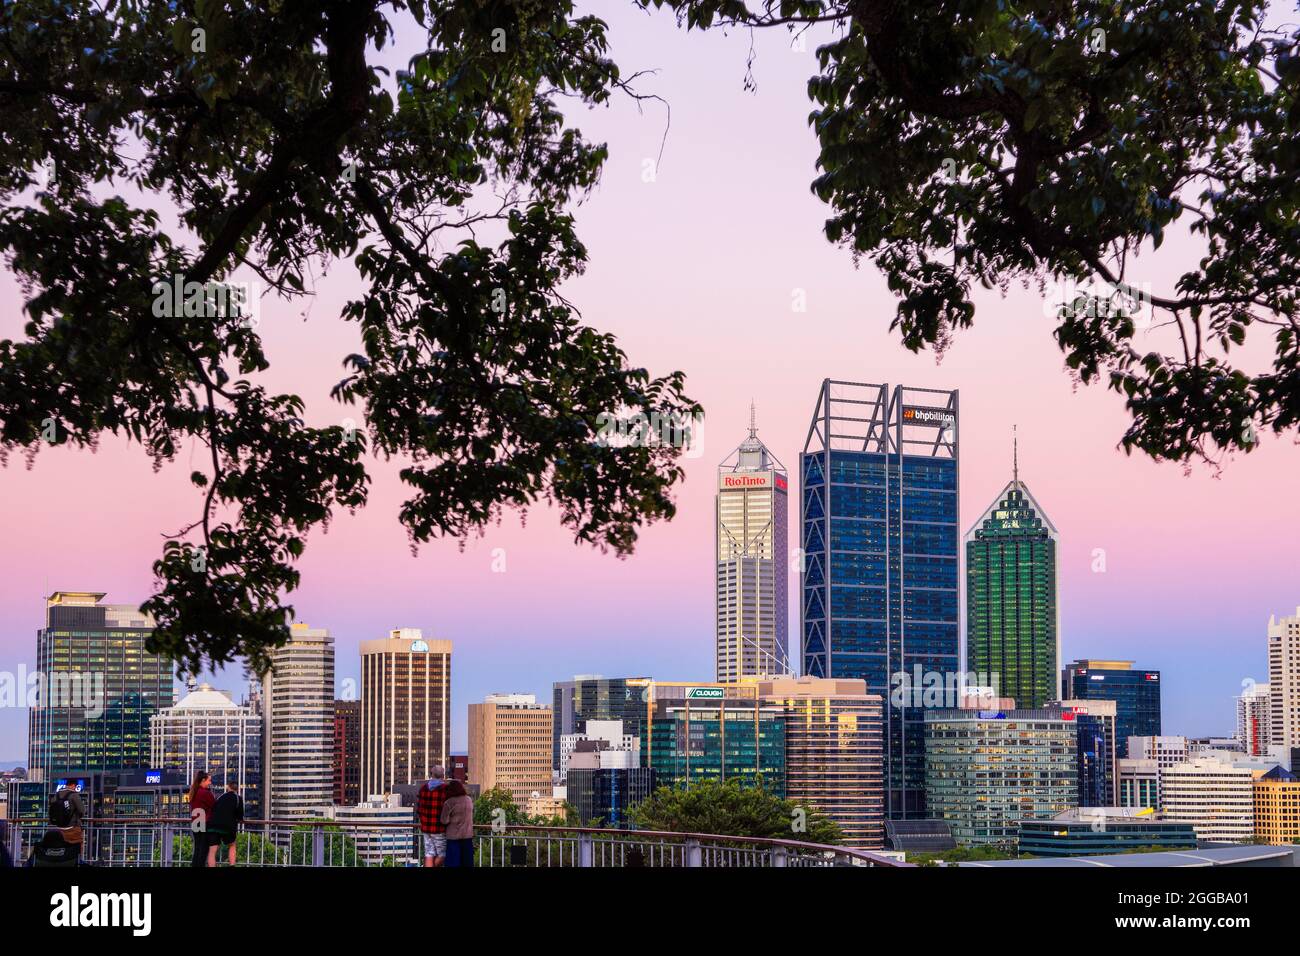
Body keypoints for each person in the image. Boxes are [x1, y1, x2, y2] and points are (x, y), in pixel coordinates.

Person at [415, 766, 448, 867]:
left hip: (426, 827)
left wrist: (423, 820)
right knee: (442, 854)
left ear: (431, 774)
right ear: (443, 776)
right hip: (439, 828)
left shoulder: (423, 788)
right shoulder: (445, 789)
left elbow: (419, 809)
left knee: (429, 853)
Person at [207, 781, 243, 866]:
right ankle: (232, 865)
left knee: (212, 851)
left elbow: (213, 809)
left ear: (228, 787)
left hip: (213, 825)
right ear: (237, 789)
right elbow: (240, 816)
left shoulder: (221, 797)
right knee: (232, 845)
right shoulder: (238, 798)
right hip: (227, 826)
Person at [440, 779, 474, 868]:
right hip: (467, 836)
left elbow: (444, 820)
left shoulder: (449, 802)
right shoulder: (468, 800)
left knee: (453, 863)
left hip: (453, 837)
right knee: (467, 863)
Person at [188, 771, 215, 868]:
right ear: (203, 780)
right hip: (204, 822)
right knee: (203, 851)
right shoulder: (205, 793)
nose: (210, 783)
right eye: (209, 781)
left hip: (196, 822)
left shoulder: (194, 792)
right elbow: (214, 805)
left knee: (197, 849)